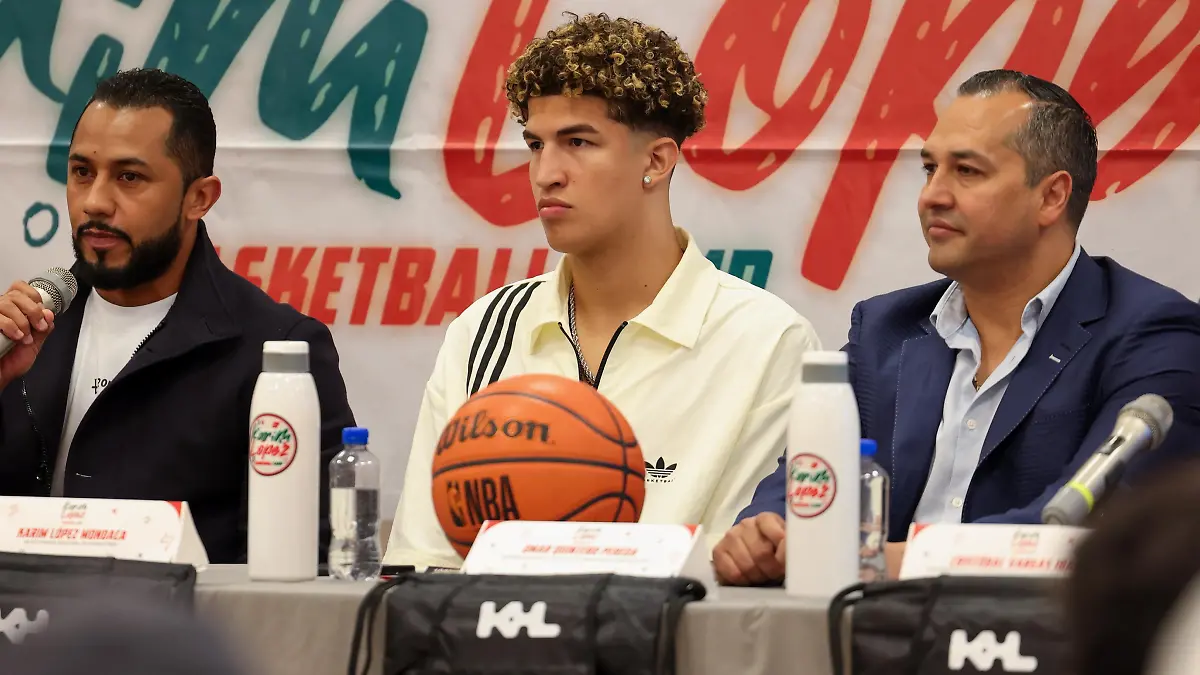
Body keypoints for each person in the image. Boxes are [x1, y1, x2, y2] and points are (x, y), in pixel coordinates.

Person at [715, 69, 1200, 586]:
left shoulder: (1154, 335)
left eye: (967, 171)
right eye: (929, 168)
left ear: (1052, 196)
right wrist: (763, 535)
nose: (932, 196)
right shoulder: (883, 331)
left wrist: (883, 562)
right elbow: (804, 482)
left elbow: (1101, 532)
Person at [384, 12, 821, 570]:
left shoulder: (769, 341)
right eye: (536, 145)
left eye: (578, 142)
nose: (546, 174)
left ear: (657, 161)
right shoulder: (482, 330)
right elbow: (422, 563)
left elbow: (738, 568)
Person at [0, 69, 356, 564]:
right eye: (82, 172)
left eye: (130, 177)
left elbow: (309, 574)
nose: (96, 202)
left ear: (199, 198)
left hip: (183, 636)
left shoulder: (275, 352)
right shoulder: (28, 330)